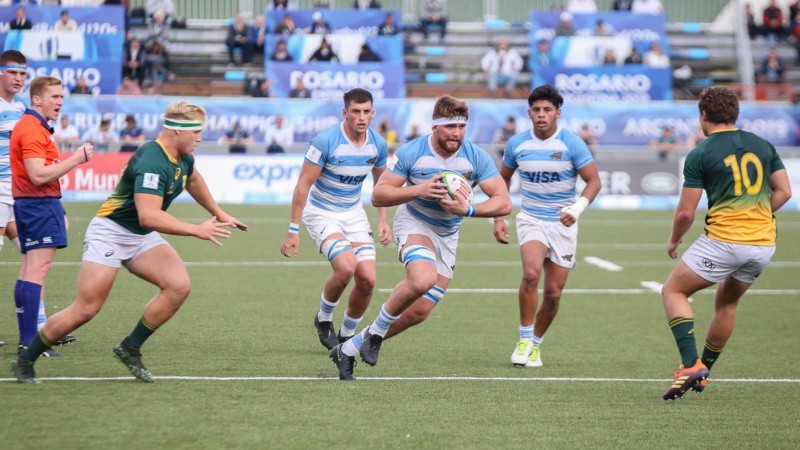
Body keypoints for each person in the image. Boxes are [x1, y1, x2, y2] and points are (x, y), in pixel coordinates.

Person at [12, 100, 249, 384]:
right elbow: (148, 216)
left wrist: (218, 212)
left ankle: (129, 348)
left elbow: (193, 180)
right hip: (111, 231)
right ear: (176, 131)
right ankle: (26, 359)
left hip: (138, 235)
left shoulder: (182, 155)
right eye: (196, 131)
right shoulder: (152, 159)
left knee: (178, 286)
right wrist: (195, 229)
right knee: (86, 309)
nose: (200, 137)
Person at [328, 95, 512, 380]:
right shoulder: (412, 152)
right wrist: (420, 190)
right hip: (414, 222)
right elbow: (379, 195)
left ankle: (349, 349)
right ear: (435, 126)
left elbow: (504, 201)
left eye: (461, 127)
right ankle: (375, 333)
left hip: (448, 235)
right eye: (450, 126)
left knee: (418, 312)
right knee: (423, 279)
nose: (456, 133)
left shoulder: (475, 156)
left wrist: (470, 209)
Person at [659, 86, 791, 400]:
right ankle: (704, 372)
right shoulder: (762, 145)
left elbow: (685, 212)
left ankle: (690, 365)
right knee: (728, 304)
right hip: (763, 244)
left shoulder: (701, 152)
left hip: (725, 241)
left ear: (703, 114)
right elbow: (784, 191)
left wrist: (674, 239)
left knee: (673, 291)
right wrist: (757, 214)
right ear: (735, 114)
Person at [493, 85, 601, 369]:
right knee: (530, 274)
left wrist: (576, 209)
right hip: (531, 218)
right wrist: (498, 216)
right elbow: (500, 181)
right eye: (537, 110)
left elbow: (594, 182)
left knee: (553, 293)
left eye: (547, 110)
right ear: (529, 113)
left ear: (557, 113)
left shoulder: (572, 143)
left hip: (563, 223)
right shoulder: (517, 144)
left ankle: (537, 345)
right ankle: (524, 339)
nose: (541, 115)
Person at [280, 88, 391, 356]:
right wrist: (293, 230)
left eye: (366, 112)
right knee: (346, 267)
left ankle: (347, 336)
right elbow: (303, 185)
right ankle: (324, 317)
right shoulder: (325, 141)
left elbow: (382, 184)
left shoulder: (378, 144)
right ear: (345, 113)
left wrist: (383, 220)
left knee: (368, 279)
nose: (361, 117)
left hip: (353, 213)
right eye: (355, 111)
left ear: (373, 113)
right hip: (321, 213)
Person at [9, 76, 95, 363]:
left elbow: (39, 170)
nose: (60, 101)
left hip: (31, 204)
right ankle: (30, 342)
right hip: (38, 204)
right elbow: (36, 174)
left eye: (61, 97)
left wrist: (57, 166)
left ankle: (27, 340)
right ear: (37, 99)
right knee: (37, 270)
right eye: (55, 96)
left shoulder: (33, 127)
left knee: (29, 269)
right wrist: (76, 159)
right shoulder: (33, 128)